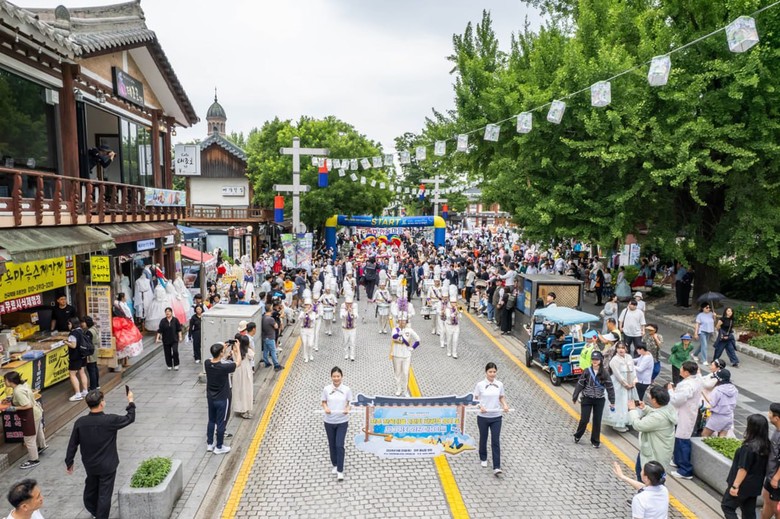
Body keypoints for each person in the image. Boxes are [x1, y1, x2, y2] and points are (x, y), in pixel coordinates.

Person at [65, 389, 136, 519]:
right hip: (108, 464)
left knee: (91, 490)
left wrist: (69, 461)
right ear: (101, 403)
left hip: (90, 465)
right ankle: (100, 515)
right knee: (104, 494)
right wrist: (130, 400)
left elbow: (72, 444)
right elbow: (129, 418)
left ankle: (94, 511)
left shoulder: (80, 422)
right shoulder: (110, 420)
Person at [722, 414, 770, 519]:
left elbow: (743, 469)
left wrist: (735, 486)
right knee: (749, 512)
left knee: (727, 506)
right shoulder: (767, 445)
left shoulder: (748, 448)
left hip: (742, 485)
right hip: (755, 486)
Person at [627, 386, 677, 481]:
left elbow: (638, 425)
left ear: (654, 400)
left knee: (646, 478)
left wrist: (632, 410)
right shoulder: (669, 408)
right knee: (655, 478)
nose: (648, 396)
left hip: (653, 454)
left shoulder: (657, 417)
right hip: (659, 451)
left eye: (650, 395)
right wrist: (645, 408)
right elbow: (658, 413)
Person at [3, 372, 47, 470]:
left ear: (10, 381)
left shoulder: (17, 391)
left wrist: (12, 408)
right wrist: (11, 399)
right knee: (38, 430)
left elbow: (28, 405)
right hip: (37, 411)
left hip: (30, 415)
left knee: (29, 438)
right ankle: (42, 446)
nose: (4, 382)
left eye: (5, 380)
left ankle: (34, 459)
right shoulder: (23, 385)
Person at [572, 351, 615, 448]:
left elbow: (610, 387)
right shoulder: (587, 371)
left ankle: (595, 441)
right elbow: (580, 384)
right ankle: (578, 435)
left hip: (599, 400)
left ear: (601, 360)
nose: (595, 361)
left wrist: (612, 401)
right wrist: (575, 396)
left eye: (597, 359)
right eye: (593, 359)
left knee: (597, 421)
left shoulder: (605, 373)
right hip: (587, 399)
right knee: (584, 419)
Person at [667, 361, 702, 480]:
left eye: (682, 369)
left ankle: (685, 470)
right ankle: (677, 460)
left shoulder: (687, 385)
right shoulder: (697, 380)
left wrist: (670, 390)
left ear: (687, 372)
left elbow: (676, 400)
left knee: (682, 439)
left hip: (684, 414)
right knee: (679, 437)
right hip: (688, 412)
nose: (680, 370)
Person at [205, 341, 242, 454]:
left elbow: (217, 358)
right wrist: (238, 348)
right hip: (222, 398)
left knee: (211, 420)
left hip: (211, 397)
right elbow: (238, 362)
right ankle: (219, 446)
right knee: (221, 422)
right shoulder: (224, 367)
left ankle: (210, 444)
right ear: (221, 353)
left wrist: (223, 350)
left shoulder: (207, 363)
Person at [473, 362, 510, 476]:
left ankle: (497, 466)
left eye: (494, 372)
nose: (492, 374)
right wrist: (480, 406)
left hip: (496, 416)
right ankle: (483, 457)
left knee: (495, 441)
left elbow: (501, 397)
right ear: (486, 372)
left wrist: (505, 405)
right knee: (483, 438)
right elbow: (475, 399)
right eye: (490, 372)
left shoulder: (499, 384)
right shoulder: (480, 385)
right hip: (483, 417)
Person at [321, 366, 353, 482]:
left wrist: (347, 408)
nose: (336, 378)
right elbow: (323, 402)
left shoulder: (347, 390)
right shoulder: (326, 389)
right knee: (332, 444)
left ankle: (340, 470)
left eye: (338, 376)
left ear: (341, 377)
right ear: (331, 377)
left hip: (342, 421)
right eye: (334, 376)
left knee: (339, 445)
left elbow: (350, 402)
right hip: (329, 421)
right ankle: (334, 463)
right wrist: (326, 408)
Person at [606, 342, 636, 433]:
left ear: (626, 348)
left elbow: (633, 370)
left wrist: (634, 381)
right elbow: (617, 374)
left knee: (628, 402)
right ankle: (618, 424)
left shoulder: (629, 357)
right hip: (618, 385)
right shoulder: (614, 360)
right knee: (620, 403)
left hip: (630, 384)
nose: (621, 350)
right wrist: (625, 384)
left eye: (623, 348)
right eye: (619, 348)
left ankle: (625, 421)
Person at [389, 312, 420, 397]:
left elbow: (418, 339)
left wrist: (413, 347)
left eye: (404, 321)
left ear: (406, 321)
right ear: (398, 321)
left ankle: (405, 391)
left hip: (406, 355)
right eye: (400, 320)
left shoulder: (409, 330)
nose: (402, 322)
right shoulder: (395, 329)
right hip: (396, 354)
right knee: (397, 373)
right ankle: (399, 389)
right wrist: (399, 333)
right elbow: (394, 337)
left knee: (406, 373)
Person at [703, 369, 738, 438]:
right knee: (722, 437)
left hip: (718, 416)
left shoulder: (717, 390)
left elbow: (712, 403)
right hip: (729, 416)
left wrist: (704, 394)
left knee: (705, 435)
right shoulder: (734, 389)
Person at [761, 402, 780, 519]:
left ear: (776, 418)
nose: (768, 414)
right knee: (768, 503)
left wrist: (776, 478)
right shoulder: (777, 430)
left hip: (776, 479)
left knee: (774, 507)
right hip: (771, 476)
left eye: (770, 413)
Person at [66, 317, 89, 402]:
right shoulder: (81, 330)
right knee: (82, 372)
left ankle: (78, 394)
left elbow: (73, 345)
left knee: (72, 374)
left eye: (69, 324)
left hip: (75, 356)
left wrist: (65, 342)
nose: (68, 325)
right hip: (83, 355)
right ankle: (85, 391)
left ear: (72, 324)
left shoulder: (73, 333)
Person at [232, 335, 254, 419]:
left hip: (237, 371)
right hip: (246, 371)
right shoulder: (247, 351)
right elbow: (252, 355)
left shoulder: (234, 350)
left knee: (238, 390)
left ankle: (239, 408)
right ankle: (245, 409)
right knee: (246, 390)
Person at [260, 305, 282, 371]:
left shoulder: (263, 317)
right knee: (273, 351)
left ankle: (267, 362)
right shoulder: (270, 319)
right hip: (270, 337)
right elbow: (276, 326)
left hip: (265, 337)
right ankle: (276, 365)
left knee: (265, 351)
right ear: (270, 310)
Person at [81, 316, 100, 392]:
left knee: (91, 369)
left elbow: (87, 343)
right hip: (95, 350)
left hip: (90, 352)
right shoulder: (94, 329)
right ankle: (96, 385)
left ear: (87, 322)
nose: (82, 324)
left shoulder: (89, 332)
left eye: (83, 322)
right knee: (94, 368)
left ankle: (93, 386)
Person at [444, 286, 461, 358]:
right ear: (450, 302)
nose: (454, 303)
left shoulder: (458, 307)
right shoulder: (447, 309)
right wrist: (454, 313)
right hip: (449, 326)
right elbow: (448, 316)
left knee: (455, 340)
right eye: (453, 302)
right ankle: (449, 351)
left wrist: (458, 310)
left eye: (455, 302)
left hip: (456, 326)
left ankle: (454, 353)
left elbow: (461, 316)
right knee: (449, 339)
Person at [340, 297, 359, 362]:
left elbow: (356, 316)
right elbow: (341, 316)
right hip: (345, 328)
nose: (349, 305)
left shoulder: (354, 307)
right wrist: (346, 312)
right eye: (347, 303)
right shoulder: (343, 307)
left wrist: (352, 312)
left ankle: (352, 355)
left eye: (350, 303)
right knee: (345, 341)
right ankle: (346, 354)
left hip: (353, 328)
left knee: (352, 342)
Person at [299, 299, 317, 363]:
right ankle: (306, 357)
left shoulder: (313, 313)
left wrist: (308, 313)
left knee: (310, 344)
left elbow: (313, 320)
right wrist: (305, 313)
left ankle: (310, 354)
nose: (306, 306)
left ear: (310, 306)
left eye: (308, 305)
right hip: (304, 330)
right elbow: (299, 318)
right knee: (305, 344)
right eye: (305, 305)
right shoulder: (302, 312)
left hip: (310, 330)